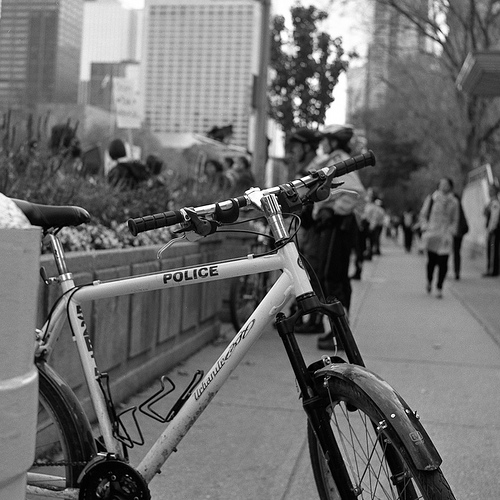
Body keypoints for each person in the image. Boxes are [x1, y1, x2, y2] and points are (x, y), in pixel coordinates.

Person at [306, 124, 366, 350]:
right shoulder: (333, 159)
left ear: (333, 141)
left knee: (332, 277)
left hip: (337, 226)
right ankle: (339, 330)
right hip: (332, 226)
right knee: (333, 277)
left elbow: (355, 191)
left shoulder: (339, 159)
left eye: (325, 140)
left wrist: (332, 211)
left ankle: (339, 333)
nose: (322, 144)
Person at [418, 177, 459, 298]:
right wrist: (425, 226)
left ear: (450, 186)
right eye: (442, 184)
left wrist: (452, 231)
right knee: (431, 261)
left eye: (446, 184)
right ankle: (430, 280)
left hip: (445, 235)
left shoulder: (454, 202)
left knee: (443, 262)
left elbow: (455, 219)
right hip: (432, 234)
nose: (444, 186)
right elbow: (423, 215)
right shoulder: (432, 199)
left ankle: (439, 286)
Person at [483, 182, 500, 277]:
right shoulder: (491, 202)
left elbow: (494, 218)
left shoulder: (495, 203)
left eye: (491, 190)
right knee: (491, 250)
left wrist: (491, 229)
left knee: (493, 250)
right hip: (491, 229)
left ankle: (493, 270)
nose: (489, 192)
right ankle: (491, 269)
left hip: (494, 230)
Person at [452, 188, 469, 280]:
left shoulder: (453, 208)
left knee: (449, 252)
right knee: (456, 252)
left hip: (455, 233)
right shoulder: (460, 208)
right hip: (459, 233)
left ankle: (455, 271)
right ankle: (456, 271)